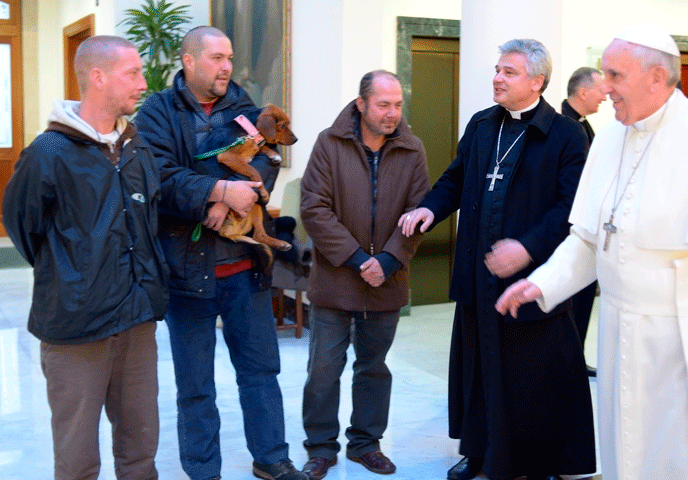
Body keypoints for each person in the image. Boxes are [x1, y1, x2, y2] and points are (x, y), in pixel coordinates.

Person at [496, 24, 688, 480]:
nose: (604, 88)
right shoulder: (611, 138)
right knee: (628, 449)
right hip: (621, 330)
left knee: (686, 456)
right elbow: (589, 237)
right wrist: (542, 281)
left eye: (615, 75)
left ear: (657, 77)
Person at [401, 40, 595, 480]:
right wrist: (430, 208)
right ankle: (481, 450)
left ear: (536, 81)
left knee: (530, 378)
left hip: (533, 279)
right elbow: (455, 178)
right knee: (479, 368)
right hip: (478, 275)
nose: (497, 78)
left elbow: (571, 209)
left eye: (509, 72)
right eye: (497, 69)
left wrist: (526, 247)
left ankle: (534, 462)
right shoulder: (482, 125)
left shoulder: (565, 135)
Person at [134, 26, 307, 480]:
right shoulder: (157, 113)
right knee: (195, 386)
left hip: (244, 270)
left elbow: (267, 161)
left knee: (261, 373)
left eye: (229, 57)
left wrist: (240, 197)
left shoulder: (244, 107)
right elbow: (158, 176)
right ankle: (202, 469)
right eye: (215, 58)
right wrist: (215, 192)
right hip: (185, 272)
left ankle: (271, 458)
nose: (227, 66)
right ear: (188, 62)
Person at [3, 36, 168, 479]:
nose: (143, 82)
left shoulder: (137, 146)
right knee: (77, 462)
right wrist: (75, 277)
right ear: (97, 77)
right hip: (76, 328)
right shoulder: (48, 154)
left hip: (136, 320)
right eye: (132, 73)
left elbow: (148, 219)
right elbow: (25, 228)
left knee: (140, 454)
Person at [299, 70, 430, 479]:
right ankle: (321, 447)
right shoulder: (329, 143)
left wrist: (389, 260)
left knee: (374, 368)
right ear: (361, 104)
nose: (392, 113)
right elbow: (314, 209)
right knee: (323, 370)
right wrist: (359, 259)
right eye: (383, 105)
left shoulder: (413, 150)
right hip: (337, 279)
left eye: (397, 105)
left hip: (387, 281)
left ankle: (365, 443)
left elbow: (420, 212)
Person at [562, 66, 606, 376]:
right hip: (570, 228)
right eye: (601, 88)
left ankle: (575, 355)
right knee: (572, 299)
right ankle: (567, 359)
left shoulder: (583, 125)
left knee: (584, 298)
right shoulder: (565, 126)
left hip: (587, 225)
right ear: (583, 92)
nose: (605, 95)